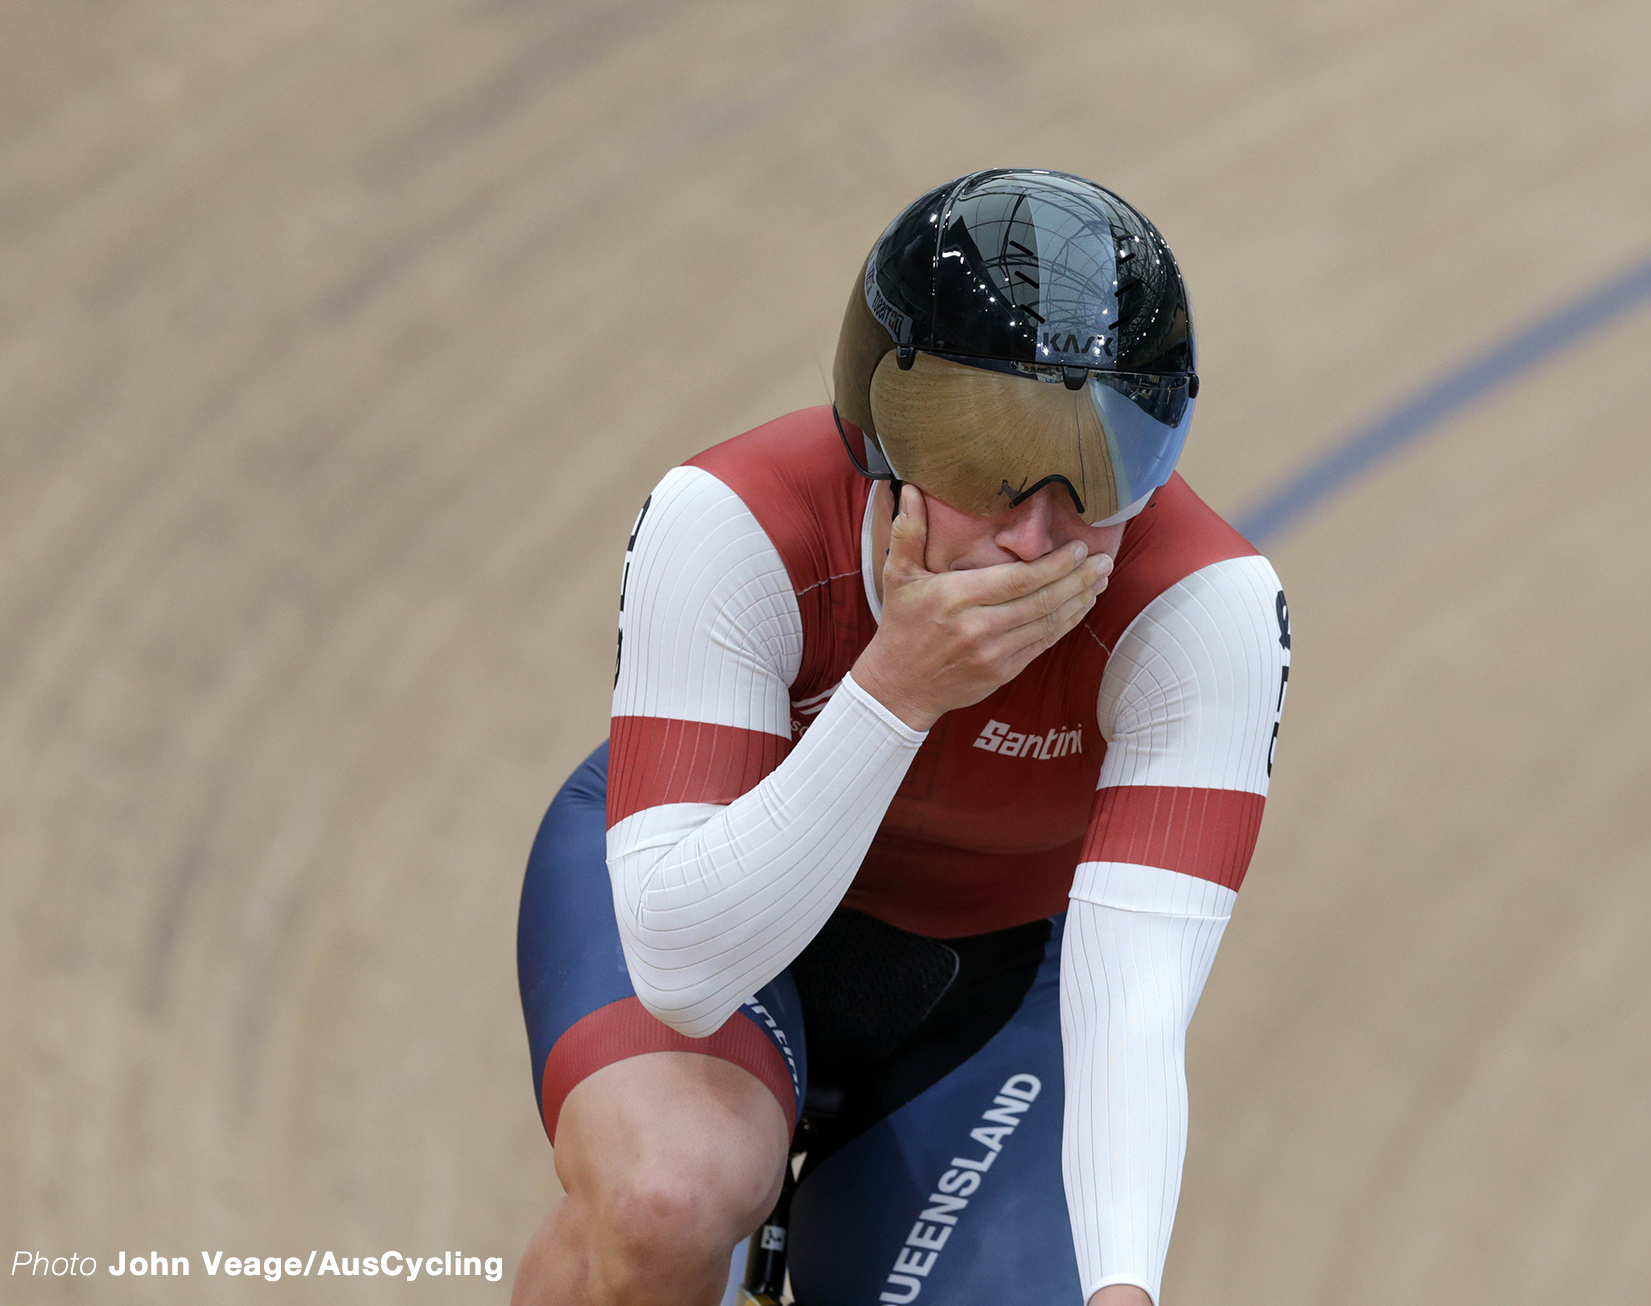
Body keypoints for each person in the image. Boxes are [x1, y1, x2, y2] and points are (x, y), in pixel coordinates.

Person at [513, 169, 1290, 1306]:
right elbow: (683, 975)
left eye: (1100, 465)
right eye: (981, 457)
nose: (1035, 532)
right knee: (664, 1199)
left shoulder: (1203, 610)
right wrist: (896, 690)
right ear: (875, 431)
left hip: (996, 983)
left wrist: (1125, 1287)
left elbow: (1131, 1006)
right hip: (706, 882)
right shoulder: (734, 518)